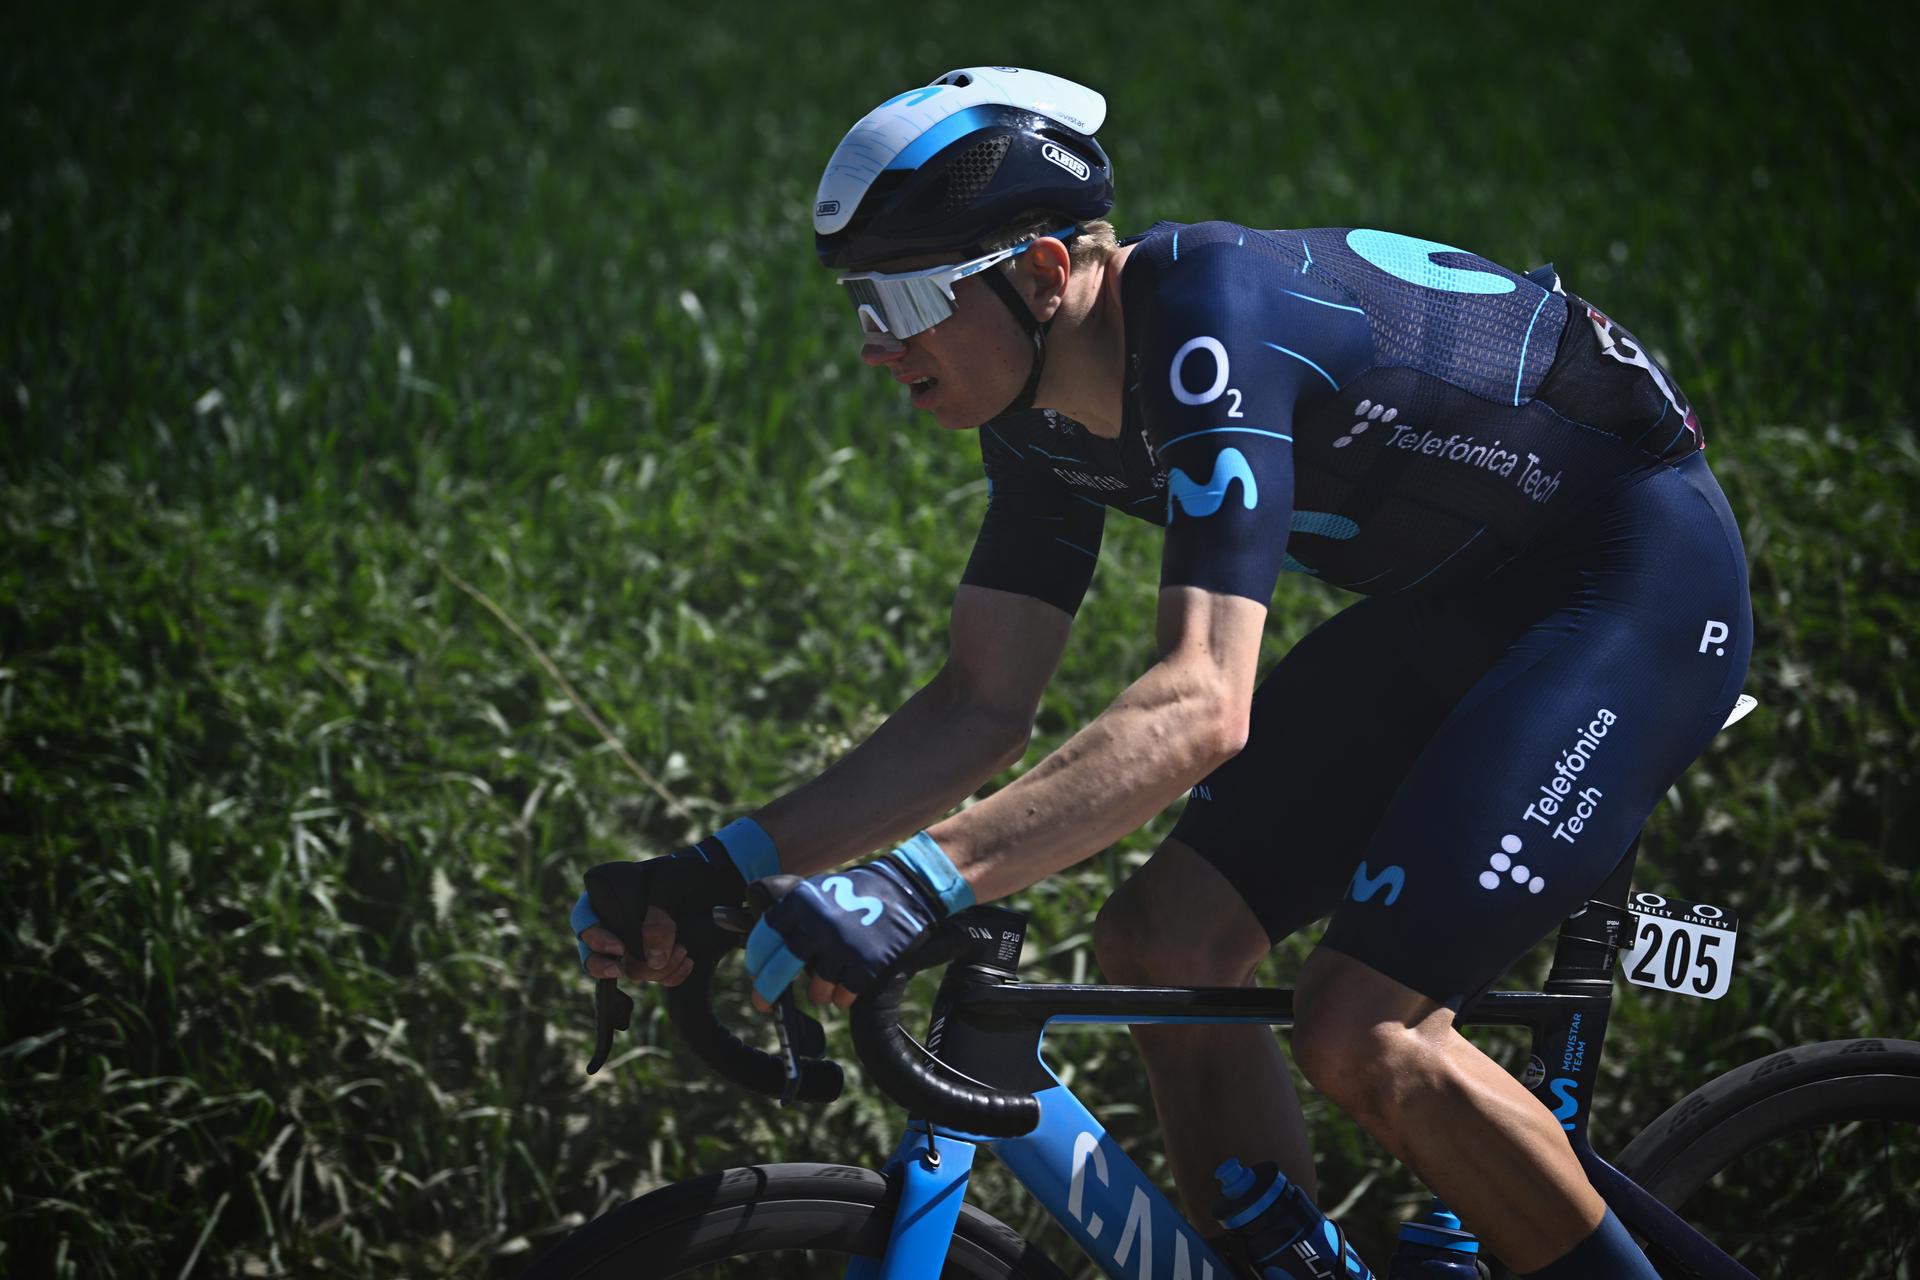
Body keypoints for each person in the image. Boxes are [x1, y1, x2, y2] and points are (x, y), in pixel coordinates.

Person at [573, 67, 1752, 1279]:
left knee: (1363, 1028)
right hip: (1453, 605)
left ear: (1042, 274)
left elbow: (1202, 702)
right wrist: (722, 867)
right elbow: (982, 705)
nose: (878, 346)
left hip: (1631, 585)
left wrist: (920, 882)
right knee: (1160, 943)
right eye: (859, 302)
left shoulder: (1212, 321)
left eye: (907, 295)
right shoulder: (1032, 413)